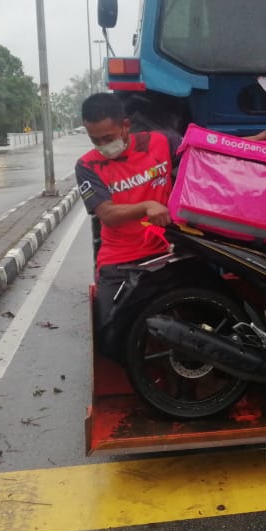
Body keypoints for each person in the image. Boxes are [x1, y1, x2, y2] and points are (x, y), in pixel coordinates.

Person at [75, 93, 180, 361]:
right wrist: (146, 206)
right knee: (110, 341)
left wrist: (256, 144)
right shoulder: (87, 165)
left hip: (167, 249)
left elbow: (203, 151)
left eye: (108, 138)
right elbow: (107, 214)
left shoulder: (159, 142)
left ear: (125, 126)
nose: (102, 146)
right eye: (94, 140)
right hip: (120, 259)